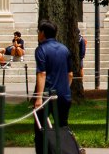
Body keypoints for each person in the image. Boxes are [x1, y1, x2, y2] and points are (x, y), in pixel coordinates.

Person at [32, 19, 73, 154]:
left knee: (40, 129)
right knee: (62, 127)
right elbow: (70, 74)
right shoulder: (64, 49)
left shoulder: (41, 49)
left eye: (39, 31)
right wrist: (65, 88)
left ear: (43, 33)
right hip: (64, 95)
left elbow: (42, 74)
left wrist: (38, 99)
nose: (38, 34)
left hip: (47, 95)